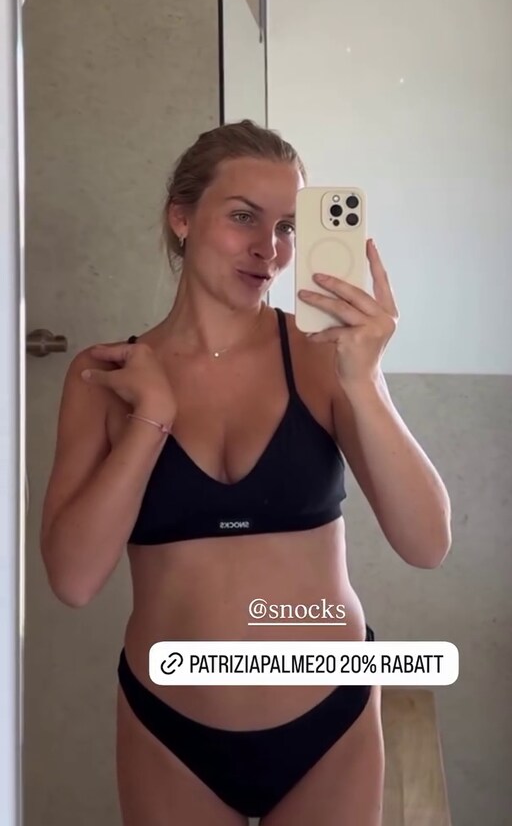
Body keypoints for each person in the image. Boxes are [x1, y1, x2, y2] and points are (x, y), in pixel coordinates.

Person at [40, 119, 451, 826]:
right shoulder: (106, 377)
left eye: (288, 226)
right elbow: (72, 581)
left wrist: (363, 381)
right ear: (181, 217)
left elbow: (427, 543)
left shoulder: (323, 356)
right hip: (170, 731)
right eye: (243, 217)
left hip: (331, 721)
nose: (270, 248)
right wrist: (151, 419)